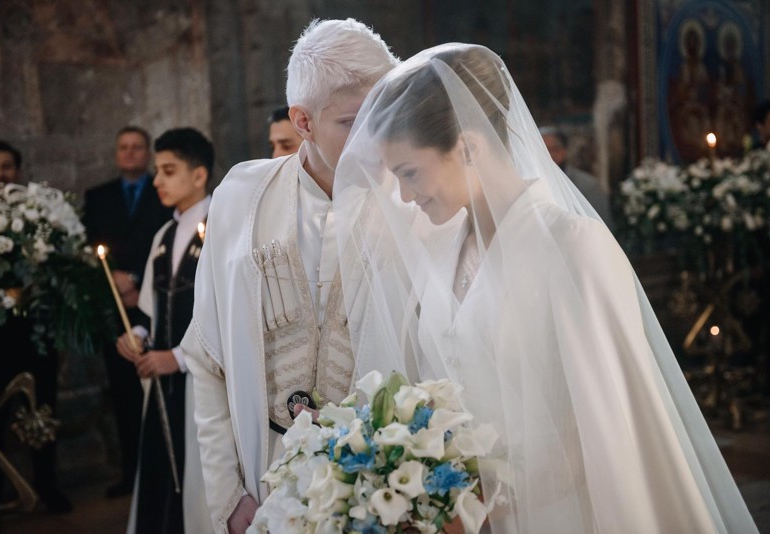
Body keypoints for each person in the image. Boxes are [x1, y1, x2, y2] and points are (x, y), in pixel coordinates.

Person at [333, 44, 758, 533]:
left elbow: (603, 422)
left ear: (467, 148)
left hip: (562, 513)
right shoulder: (443, 248)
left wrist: (483, 502)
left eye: (409, 173)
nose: (406, 196)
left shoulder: (574, 247)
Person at [179, 18, 398, 533]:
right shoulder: (241, 197)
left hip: (378, 482)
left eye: (385, 113)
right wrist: (228, 496)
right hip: (263, 473)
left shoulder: (412, 204)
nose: (375, 138)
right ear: (302, 121)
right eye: (352, 121)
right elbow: (207, 357)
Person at [115, 127, 212, 533]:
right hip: (162, 384)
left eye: (168, 171)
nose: (157, 180)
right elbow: (151, 311)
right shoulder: (164, 235)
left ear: (199, 175)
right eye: (157, 171)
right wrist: (138, 334)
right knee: (161, 474)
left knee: (199, 482)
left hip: (203, 382)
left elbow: (228, 317)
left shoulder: (221, 227)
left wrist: (178, 358)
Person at [0, 139, 73, 514]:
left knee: (42, 408)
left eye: (5, 166)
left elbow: (55, 263)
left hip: (36, 331)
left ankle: (47, 486)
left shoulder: (38, 216)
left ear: (17, 170)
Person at [83, 126, 173, 498]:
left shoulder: (162, 190)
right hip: (114, 306)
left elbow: (164, 239)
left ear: (147, 152)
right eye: (124, 147)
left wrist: (136, 279)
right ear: (116, 153)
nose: (130, 153)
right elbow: (90, 246)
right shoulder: (98, 196)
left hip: (154, 301)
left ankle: (163, 473)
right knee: (122, 393)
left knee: (156, 392)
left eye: (137, 147)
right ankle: (130, 474)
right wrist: (114, 282)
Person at [540, 126, 613, 227]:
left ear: (561, 152)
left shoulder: (588, 186)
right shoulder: (529, 184)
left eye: (547, 150)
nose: (541, 156)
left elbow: (602, 225)